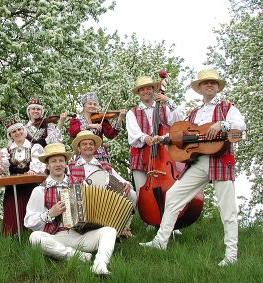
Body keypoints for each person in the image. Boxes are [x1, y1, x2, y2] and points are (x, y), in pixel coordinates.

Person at [139, 69, 247, 267]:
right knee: (173, 195)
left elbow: (241, 127)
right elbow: (185, 137)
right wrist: (163, 139)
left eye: (213, 83)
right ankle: (161, 241)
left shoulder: (227, 107)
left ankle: (231, 254)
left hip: (220, 160)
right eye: (206, 83)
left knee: (227, 209)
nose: (209, 85)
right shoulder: (195, 112)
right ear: (200, 88)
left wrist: (222, 124)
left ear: (217, 87)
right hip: (198, 162)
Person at [24, 143, 117, 275]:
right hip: (57, 237)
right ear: (48, 165)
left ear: (66, 163)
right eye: (53, 161)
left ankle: (100, 264)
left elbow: (94, 205)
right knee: (35, 238)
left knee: (109, 231)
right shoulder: (40, 190)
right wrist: (50, 213)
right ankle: (77, 256)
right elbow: (29, 222)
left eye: (61, 160)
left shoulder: (81, 184)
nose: (58, 164)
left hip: (80, 235)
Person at [69, 130, 137, 236]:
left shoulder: (104, 165)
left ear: (95, 148)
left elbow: (120, 179)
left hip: (104, 201)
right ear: (79, 148)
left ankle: (124, 227)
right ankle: (80, 228)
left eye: (91, 144)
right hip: (83, 202)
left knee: (131, 193)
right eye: (84, 144)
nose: (88, 146)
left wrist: (126, 183)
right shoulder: (71, 166)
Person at [126, 76, 184, 198]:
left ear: (153, 90)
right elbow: (133, 133)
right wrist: (145, 137)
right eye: (142, 89)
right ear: (138, 93)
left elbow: (179, 123)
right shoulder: (132, 112)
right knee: (143, 195)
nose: (146, 91)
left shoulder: (164, 108)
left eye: (148, 88)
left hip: (164, 157)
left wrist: (168, 100)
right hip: (140, 157)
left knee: (169, 192)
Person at [0, 118, 45, 235]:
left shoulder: (34, 147)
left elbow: (40, 165)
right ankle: (11, 239)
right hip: (13, 185)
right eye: (13, 131)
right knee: (12, 210)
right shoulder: (7, 150)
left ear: (24, 130)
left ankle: (32, 237)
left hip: (30, 185)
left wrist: (33, 171)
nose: (17, 133)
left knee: (30, 209)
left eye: (19, 129)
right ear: (10, 135)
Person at [67, 93, 126, 162]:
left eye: (95, 104)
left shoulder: (100, 119)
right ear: (84, 105)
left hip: (100, 155)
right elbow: (73, 132)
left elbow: (111, 135)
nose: (92, 106)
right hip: (83, 155)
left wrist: (120, 119)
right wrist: (88, 126)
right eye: (90, 104)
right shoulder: (76, 119)